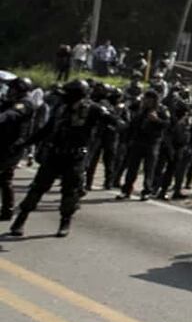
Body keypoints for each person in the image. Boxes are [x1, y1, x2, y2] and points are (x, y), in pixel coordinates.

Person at [8, 80, 116, 238]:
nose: (64, 97)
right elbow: (47, 129)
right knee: (37, 188)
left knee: (70, 192)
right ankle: (20, 220)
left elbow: (116, 122)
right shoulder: (61, 108)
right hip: (55, 155)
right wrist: (26, 143)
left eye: (68, 94)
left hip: (75, 157)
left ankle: (65, 222)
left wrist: (110, 122)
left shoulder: (93, 109)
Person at [117, 90, 170, 200]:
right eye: (146, 99)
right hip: (138, 142)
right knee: (132, 168)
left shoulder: (161, 110)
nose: (147, 101)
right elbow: (132, 125)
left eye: (150, 99)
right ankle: (126, 190)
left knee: (149, 169)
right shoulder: (140, 110)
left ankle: (146, 191)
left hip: (152, 143)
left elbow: (167, 125)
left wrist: (157, 120)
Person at [0, 78, 36, 221]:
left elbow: (11, 115)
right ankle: (7, 211)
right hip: (5, 145)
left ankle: (8, 210)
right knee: (5, 179)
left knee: (5, 178)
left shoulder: (25, 103)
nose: (9, 91)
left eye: (12, 89)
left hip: (11, 147)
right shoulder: (11, 102)